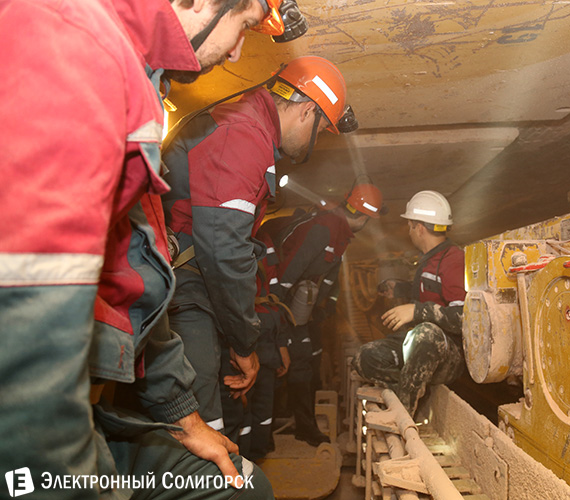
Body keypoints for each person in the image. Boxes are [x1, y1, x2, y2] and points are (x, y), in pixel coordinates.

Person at [0, 0, 288, 498]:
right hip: (30, 413)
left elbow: (136, 274)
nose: (237, 52)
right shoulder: (75, 43)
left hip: (72, 396)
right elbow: (28, 314)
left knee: (243, 485)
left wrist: (183, 417)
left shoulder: (134, 79)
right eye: (243, 26)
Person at [161, 56, 357, 449]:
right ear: (307, 111)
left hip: (195, 284)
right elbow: (224, 250)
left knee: (219, 420)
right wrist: (244, 343)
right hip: (185, 284)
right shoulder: (244, 135)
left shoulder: (248, 127)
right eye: (321, 129)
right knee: (203, 429)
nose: (317, 140)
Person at [257, 183, 384, 447]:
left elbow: (326, 279)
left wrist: (319, 310)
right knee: (282, 364)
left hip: (298, 308)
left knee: (302, 363)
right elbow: (286, 276)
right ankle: (270, 433)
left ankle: (301, 425)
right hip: (279, 306)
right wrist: (279, 323)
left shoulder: (339, 234)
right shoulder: (322, 230)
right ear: (364, 217)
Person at [353, 191, 466, 417]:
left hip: (446, 354)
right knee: (364, 358)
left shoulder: (454, 259)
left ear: (420, 228)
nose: (409, 231)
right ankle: (412, 386)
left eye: (410, 226)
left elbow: (462, 317)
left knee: (426, 333)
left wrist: (416, 311)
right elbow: (432, 291)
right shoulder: (428, 259)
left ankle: (402, 411)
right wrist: (401, 289)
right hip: (418, 349)